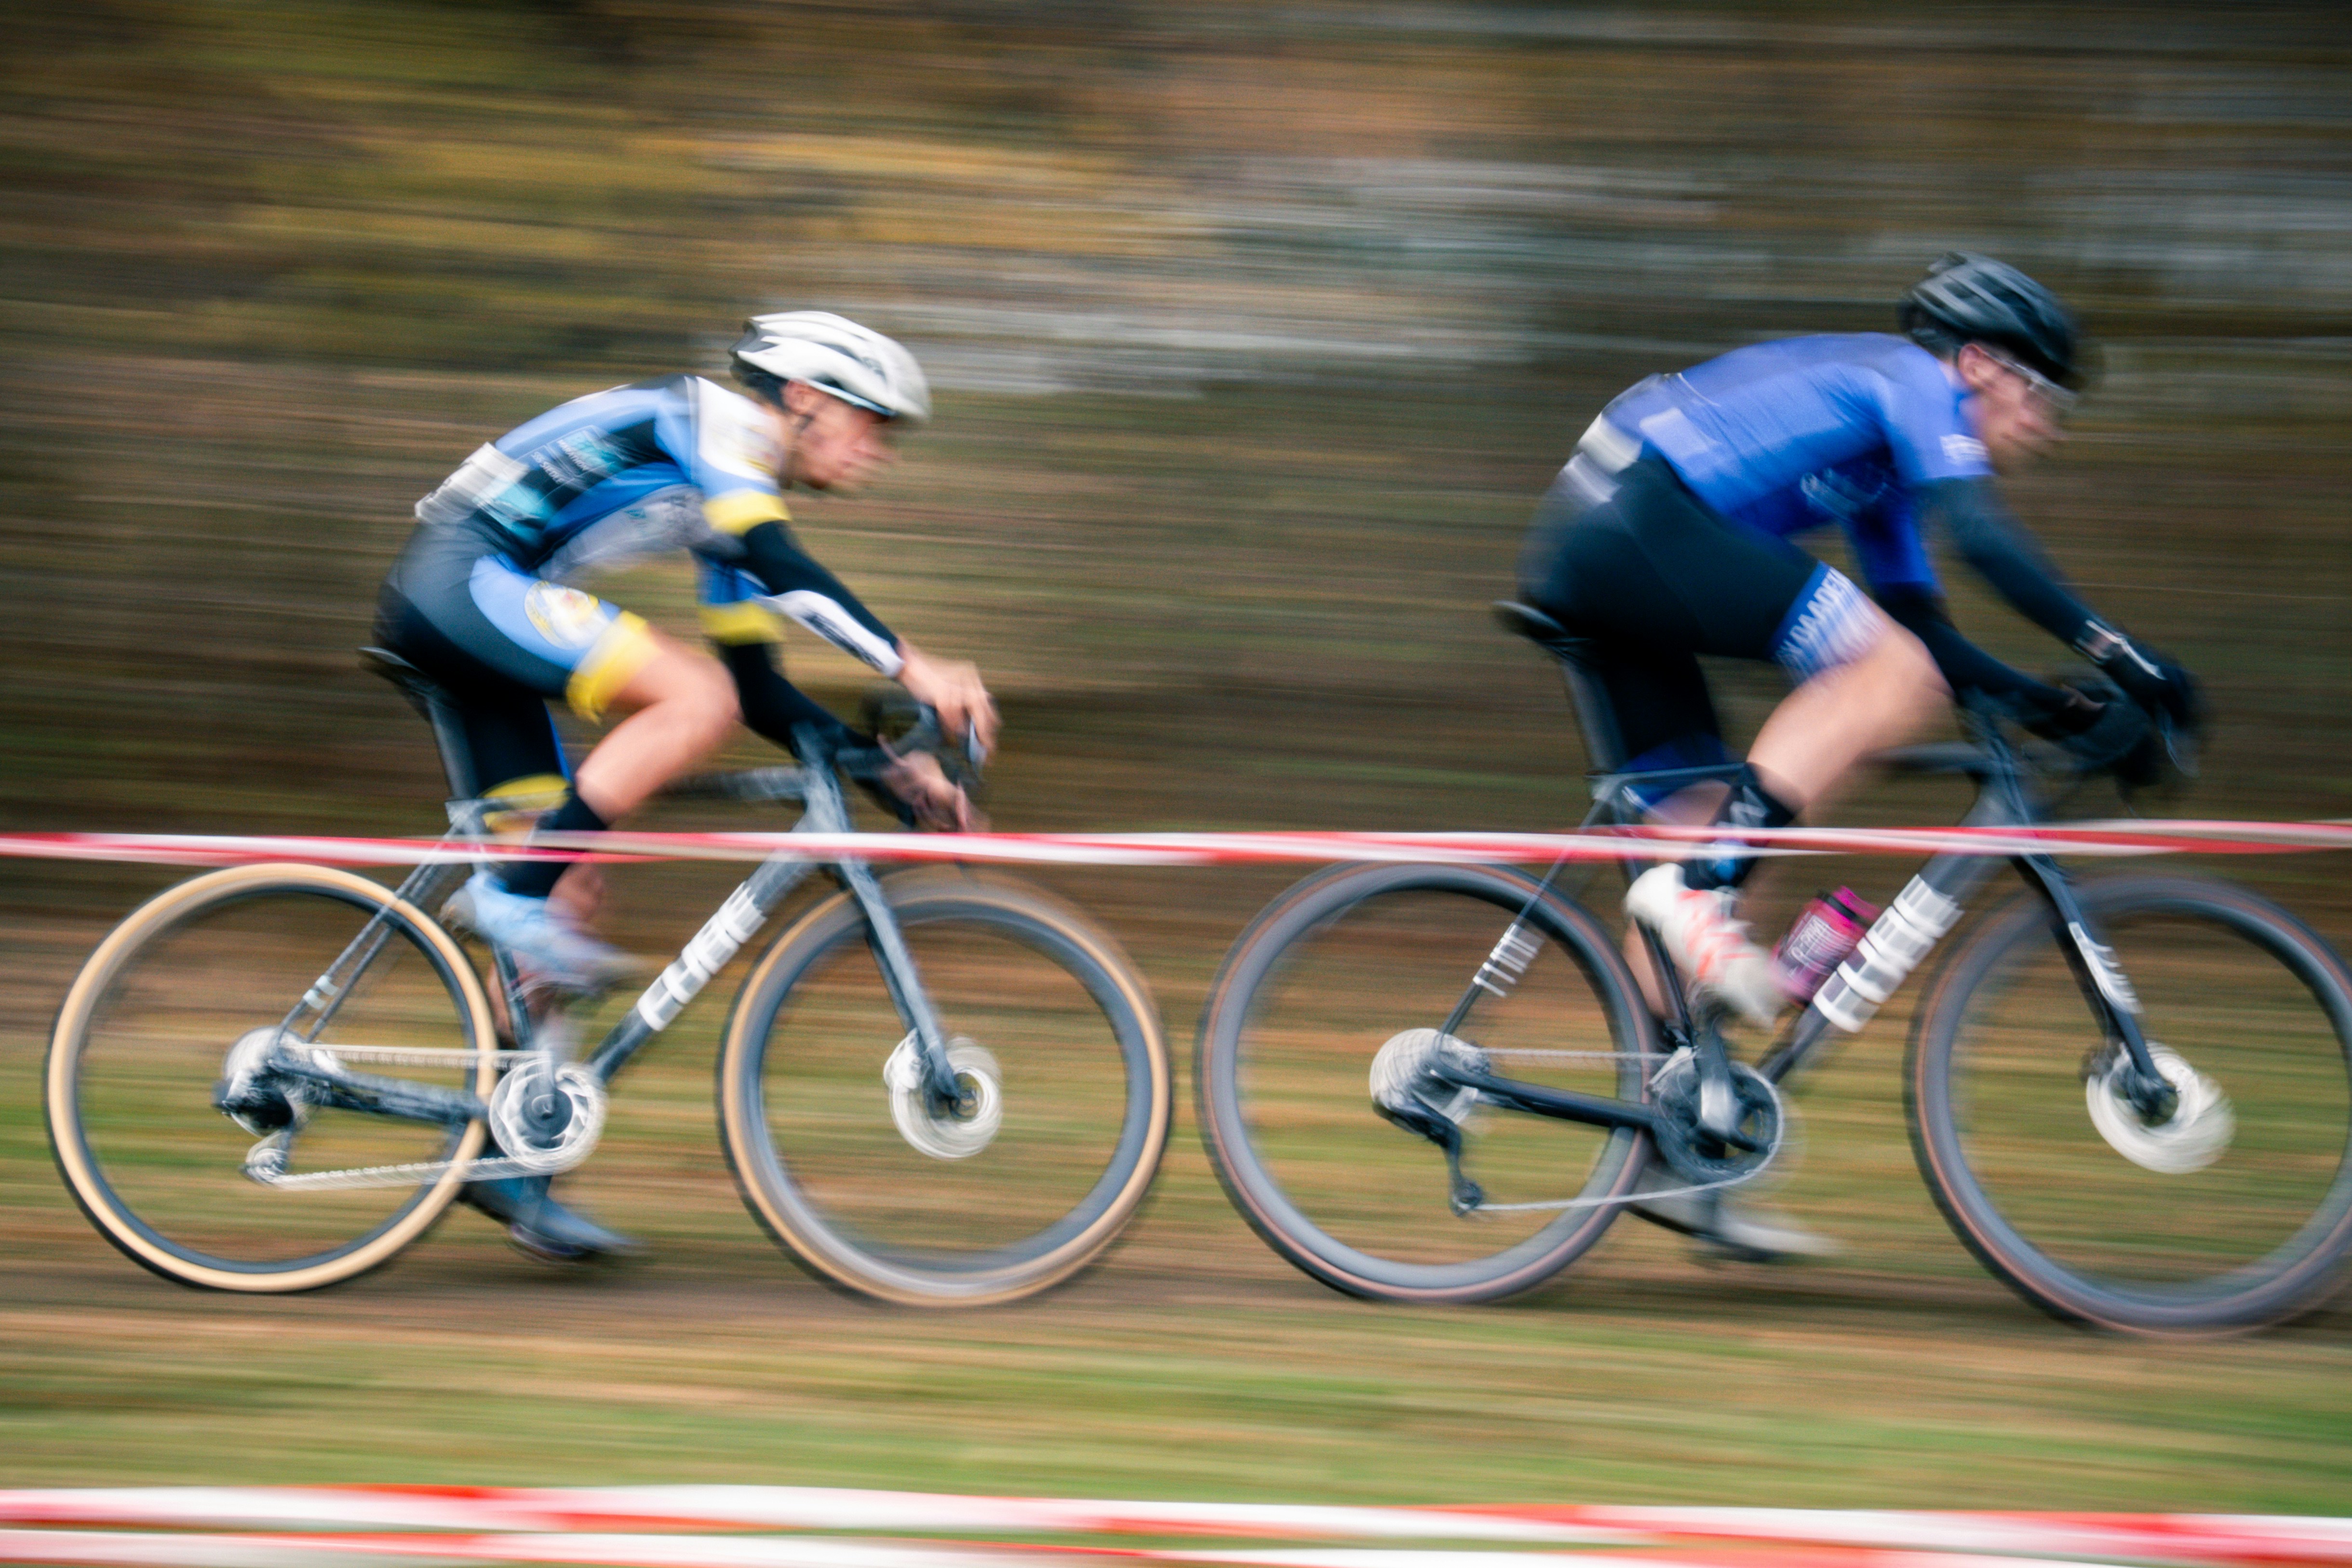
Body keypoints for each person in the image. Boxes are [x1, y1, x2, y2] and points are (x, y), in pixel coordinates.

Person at [1514, 253, 2200, 1257]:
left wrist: (2054, 708)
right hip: (1639, 518)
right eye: (2042, 392)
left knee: (1699, 815)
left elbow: (1932, 627)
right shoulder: (1911, 383)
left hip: (1611, 540)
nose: (2045, 424)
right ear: (1978, 364)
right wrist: (2127, 658)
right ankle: (1703, 893)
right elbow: (1980, 544)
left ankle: (1669, 1144)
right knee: (1884, 681)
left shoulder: (1880, 473)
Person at [375, 311, 996, 1259]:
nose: (882, 451)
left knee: (573, 885)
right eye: (873, 422)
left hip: (471, 609)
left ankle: (511, 1167)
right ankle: (508, 900)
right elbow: (784, 571)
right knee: (682, 701)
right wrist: (916, 667)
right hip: (464, 581)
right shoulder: (717, 430)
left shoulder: (726, 501)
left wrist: (883, 768)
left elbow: (760, 689)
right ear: (805, 399)